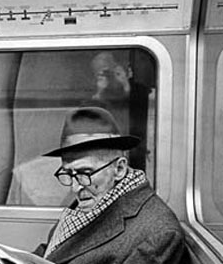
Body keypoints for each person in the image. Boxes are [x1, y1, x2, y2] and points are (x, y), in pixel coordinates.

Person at [33, 106, 186, 263]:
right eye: (69, 174)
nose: (75, 188)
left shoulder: (159, 235)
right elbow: (54, 251)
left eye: (85, 172)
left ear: (119, 169)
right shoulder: (97, 196)